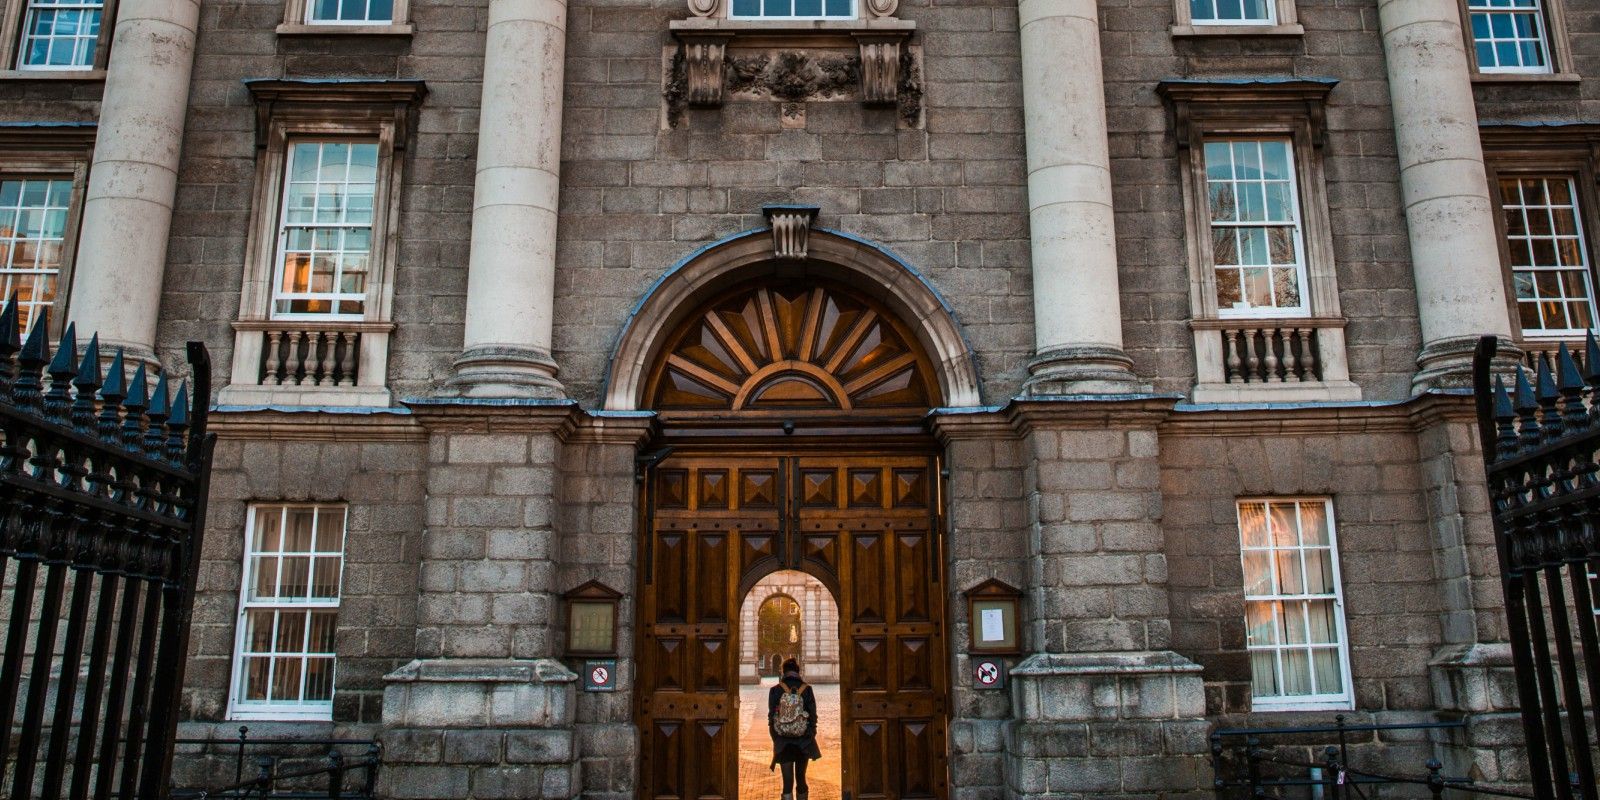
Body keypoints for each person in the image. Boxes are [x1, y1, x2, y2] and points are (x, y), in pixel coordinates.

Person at [768, 657, 820, 800]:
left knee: (787, 783)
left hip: (783, 743)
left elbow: (771, 718)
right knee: (801, 780)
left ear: (783, 671)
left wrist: (777, 739)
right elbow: (813, 718)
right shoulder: (807, 689)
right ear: (798, 670)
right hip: (803, 742)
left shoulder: (775, 690)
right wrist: (809, 736)